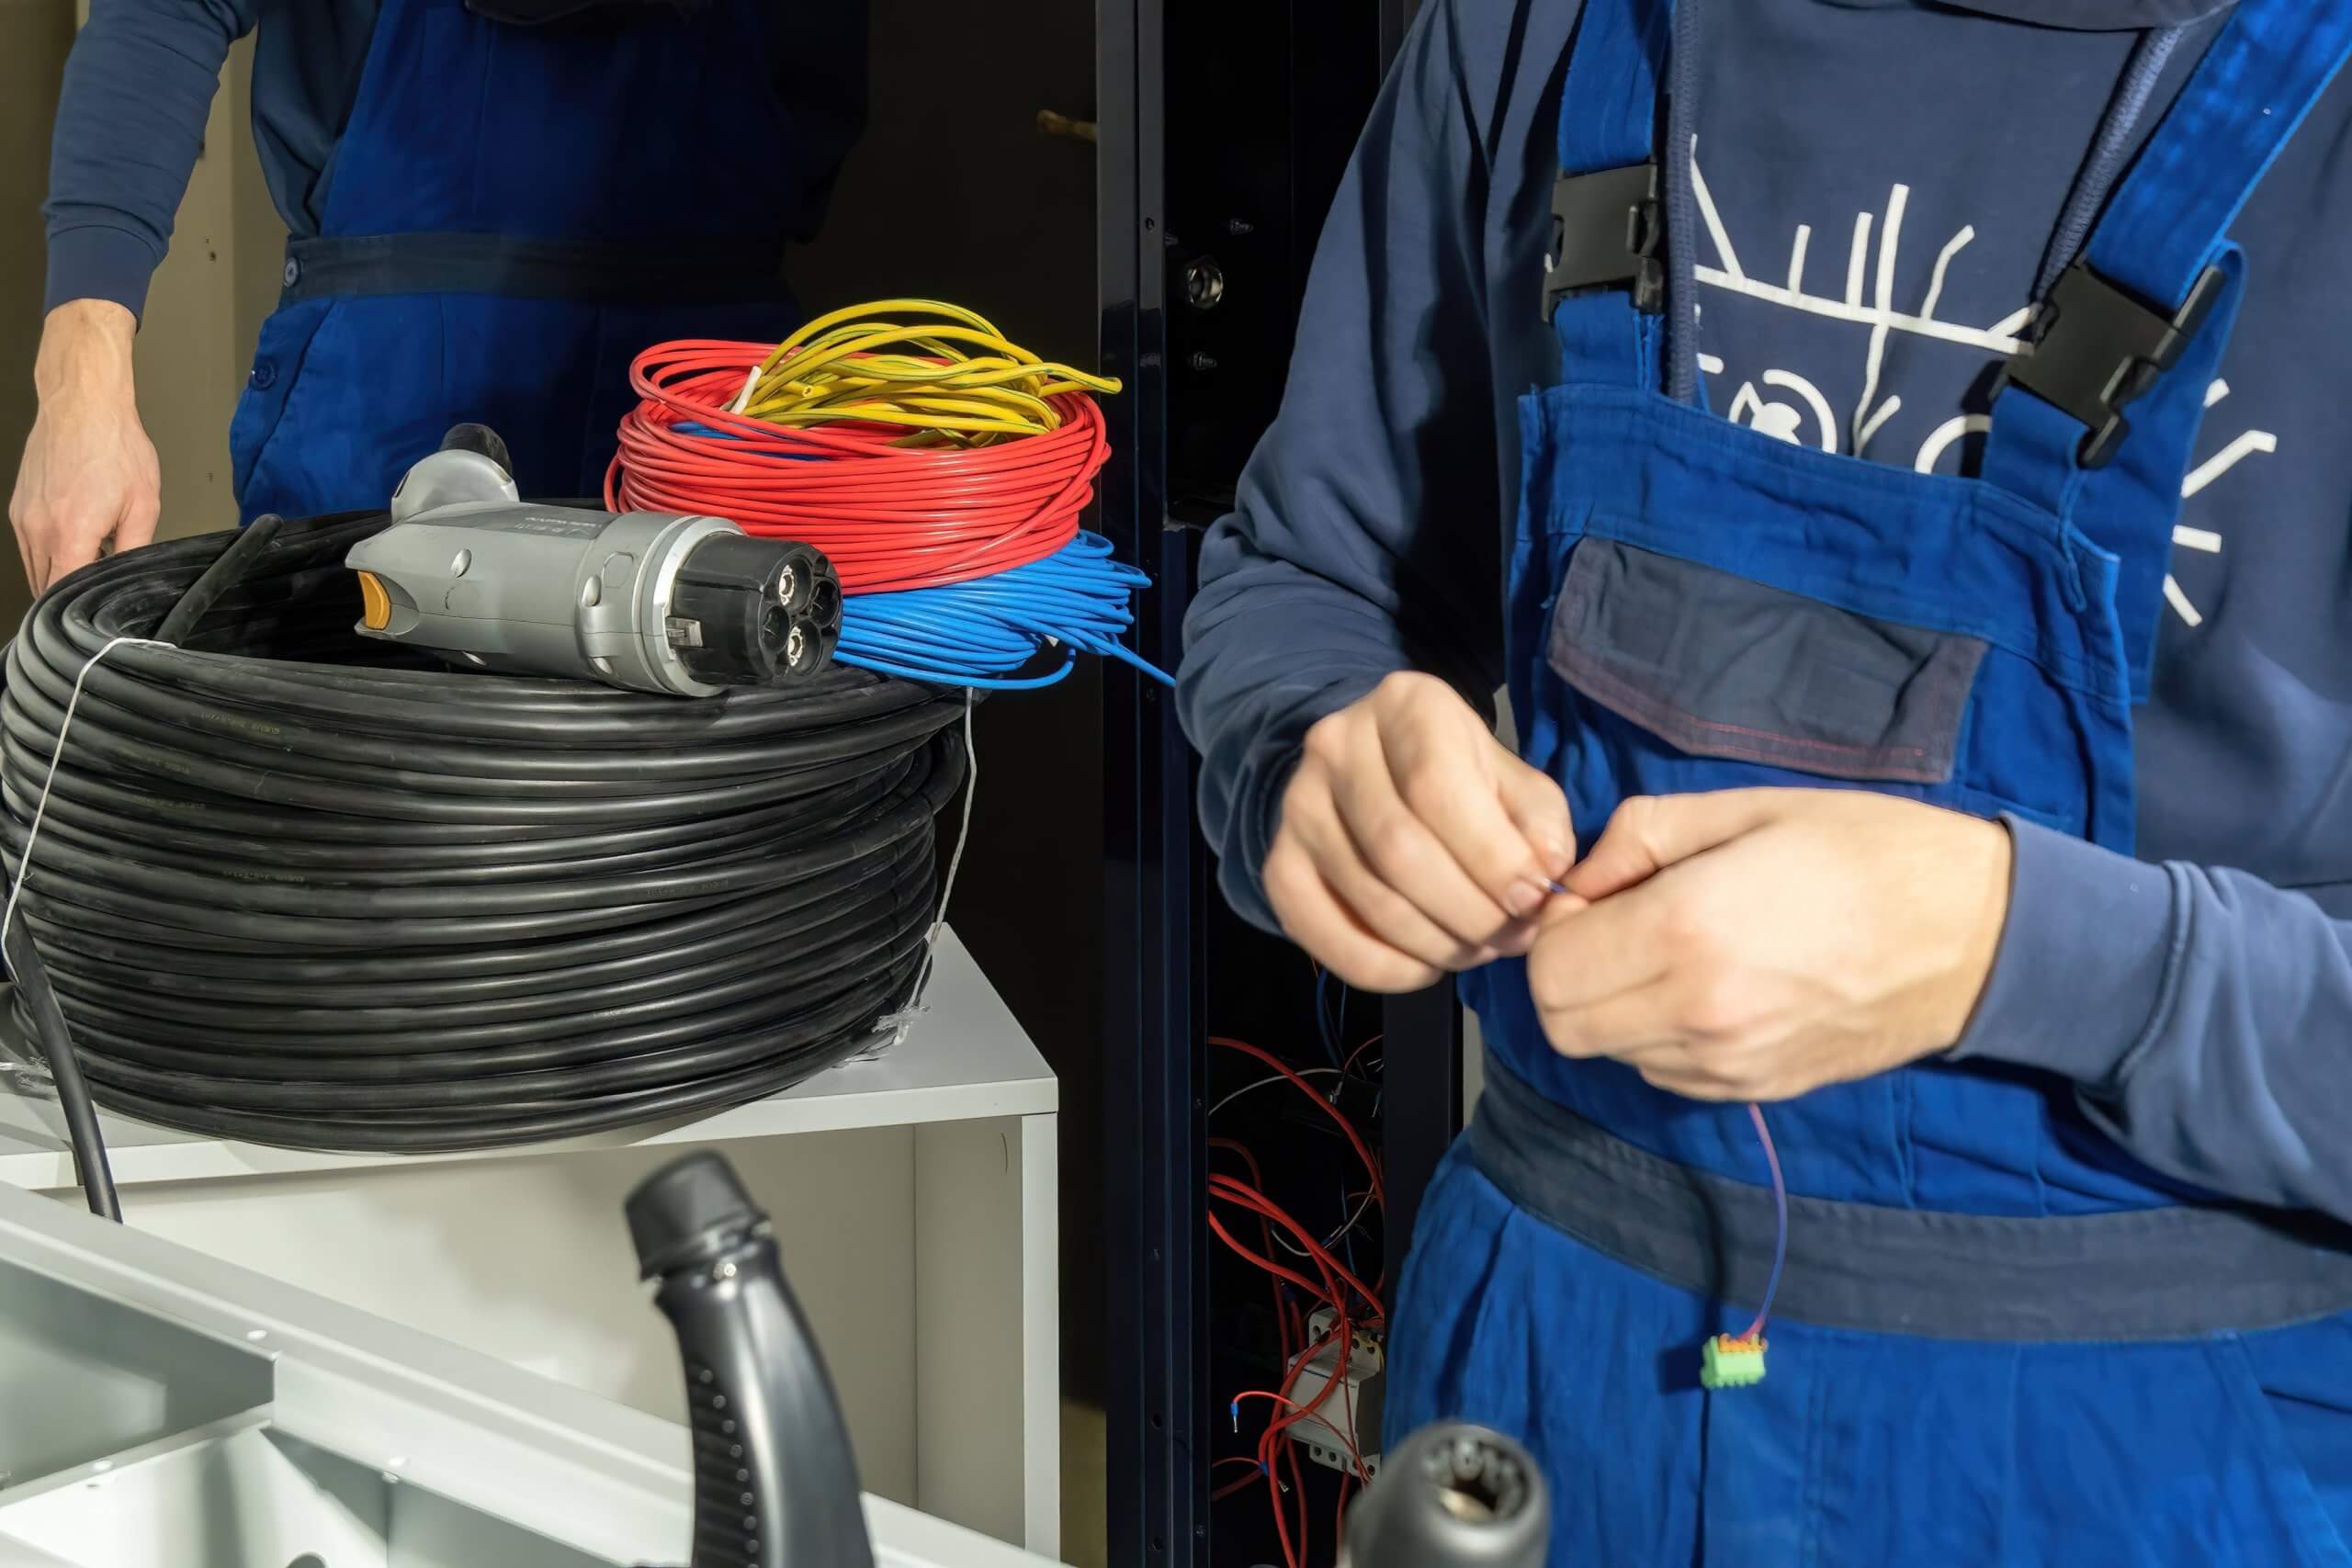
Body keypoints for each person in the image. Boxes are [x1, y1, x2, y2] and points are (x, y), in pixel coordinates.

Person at [1180, 0, 2352, 1560]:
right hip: (1548, 1377)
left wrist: (2017, 949)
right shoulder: (1541, 28)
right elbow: (1314, 573)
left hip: (2158, 1450)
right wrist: (1311, 751)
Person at [10, 0, 866, 594]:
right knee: (371, 813)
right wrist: (81, 387)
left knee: (724, 826)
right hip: (383, 392)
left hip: (710, 403)